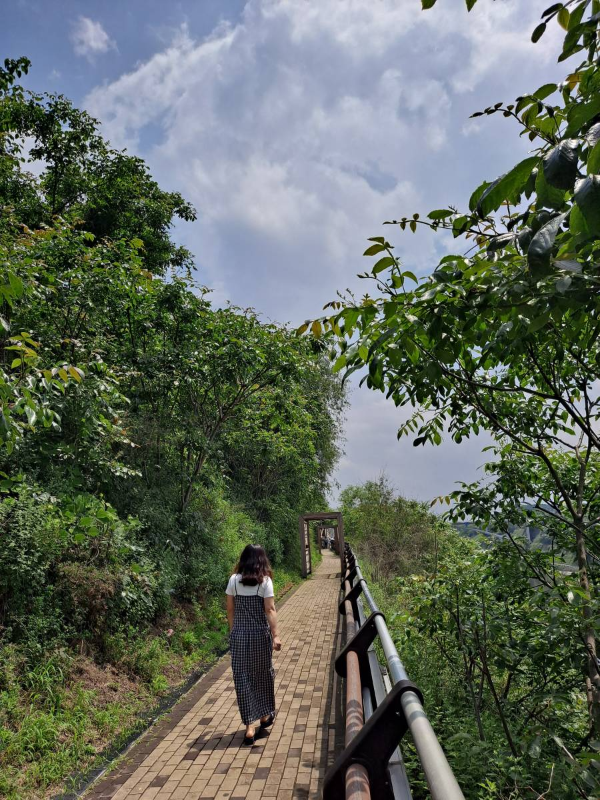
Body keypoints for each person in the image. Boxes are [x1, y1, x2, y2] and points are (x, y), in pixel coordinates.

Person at [226, 544, 282, 746]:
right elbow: (270, 610)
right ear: (261, 560)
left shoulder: (233, 581)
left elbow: (230, 610)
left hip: (239, 636)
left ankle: (249, 727)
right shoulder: (265, 582)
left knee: (242, 677)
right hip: (259, 636)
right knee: (262, 675)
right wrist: (275, 636)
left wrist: (234, 632)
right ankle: (265, 715)